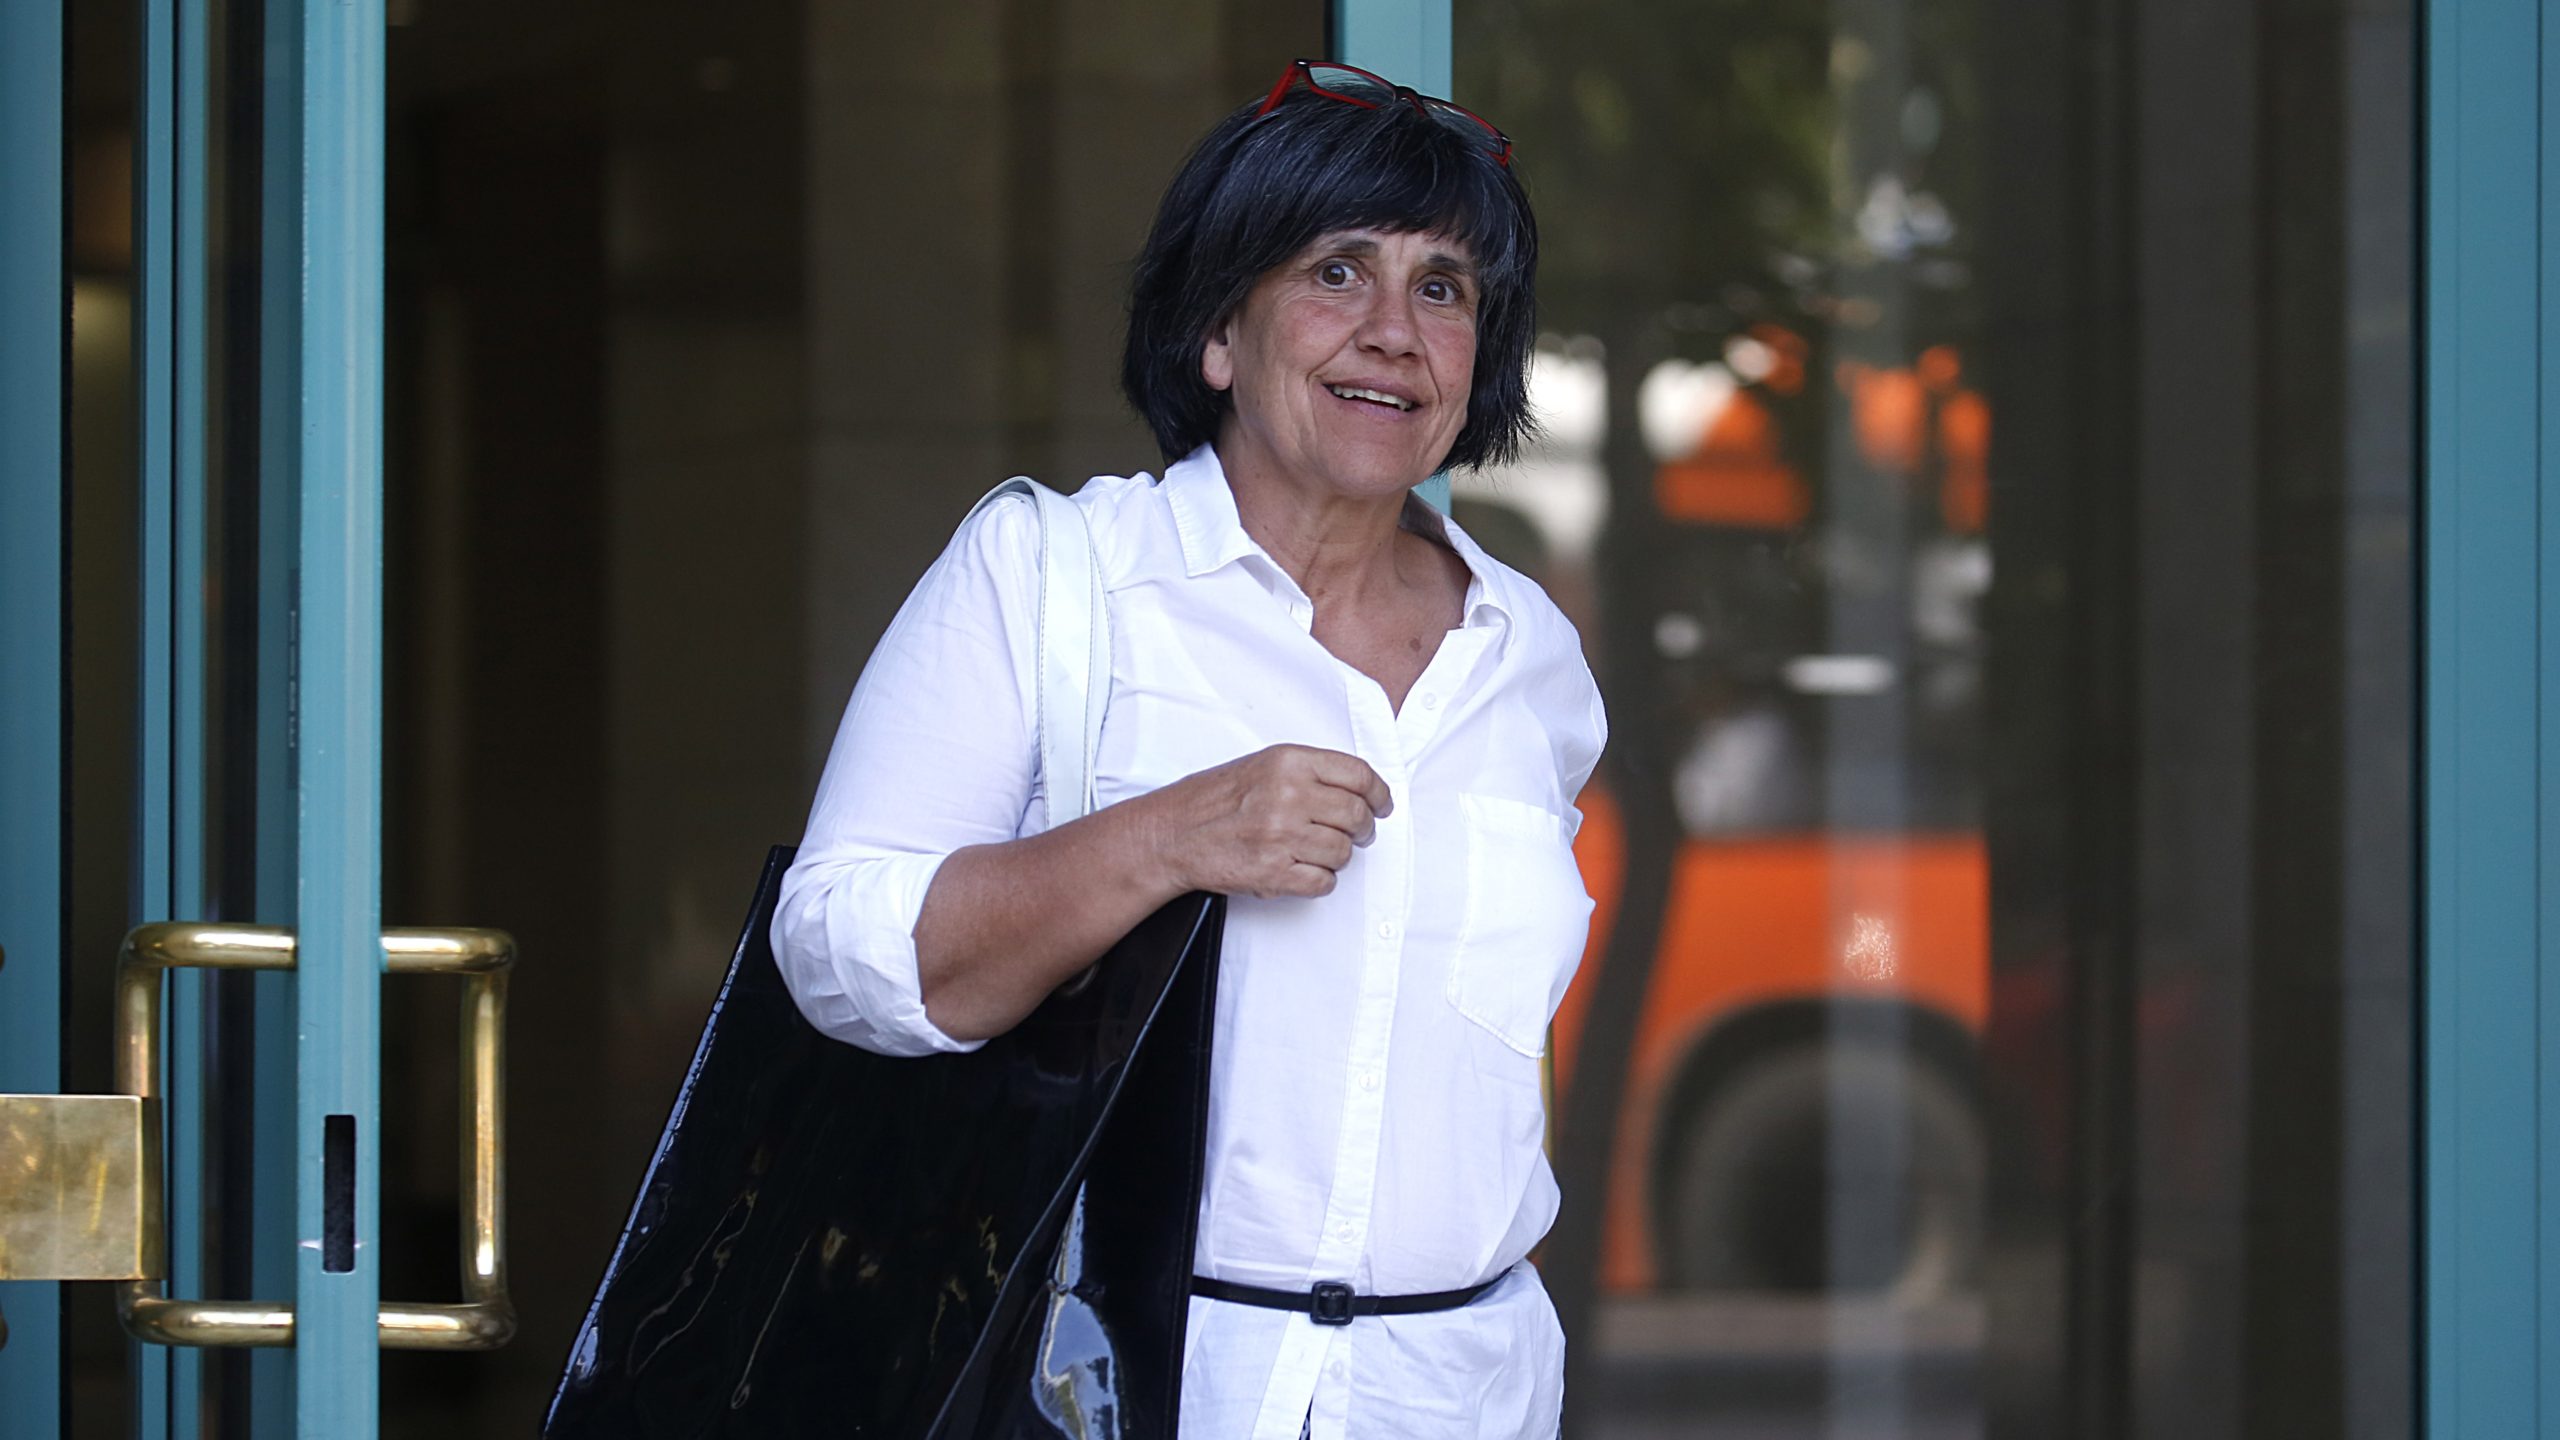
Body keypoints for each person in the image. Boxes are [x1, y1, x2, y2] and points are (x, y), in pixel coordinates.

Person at [772, 60, 1605, 1440]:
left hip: (1462, 1389)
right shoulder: (1057, 576)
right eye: (1337, 273)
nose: (1395, 332)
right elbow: (838, 948)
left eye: (1444, 289)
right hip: (1123, 1381)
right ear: (1218, 331)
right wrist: (1168, 836)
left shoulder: (1529, 656)